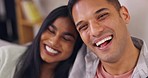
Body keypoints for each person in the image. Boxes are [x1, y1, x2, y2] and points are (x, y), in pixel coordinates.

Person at [67, 0, 148, 78]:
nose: (95, 32)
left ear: (124, 15)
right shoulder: (79, 63)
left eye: (102, 16)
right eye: (83, 26)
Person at [0, 5, 82, 78]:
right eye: (51, 31)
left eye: (66, 38)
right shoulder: (5, 56)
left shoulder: (77, 74)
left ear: (76, 46)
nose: (54, 42)